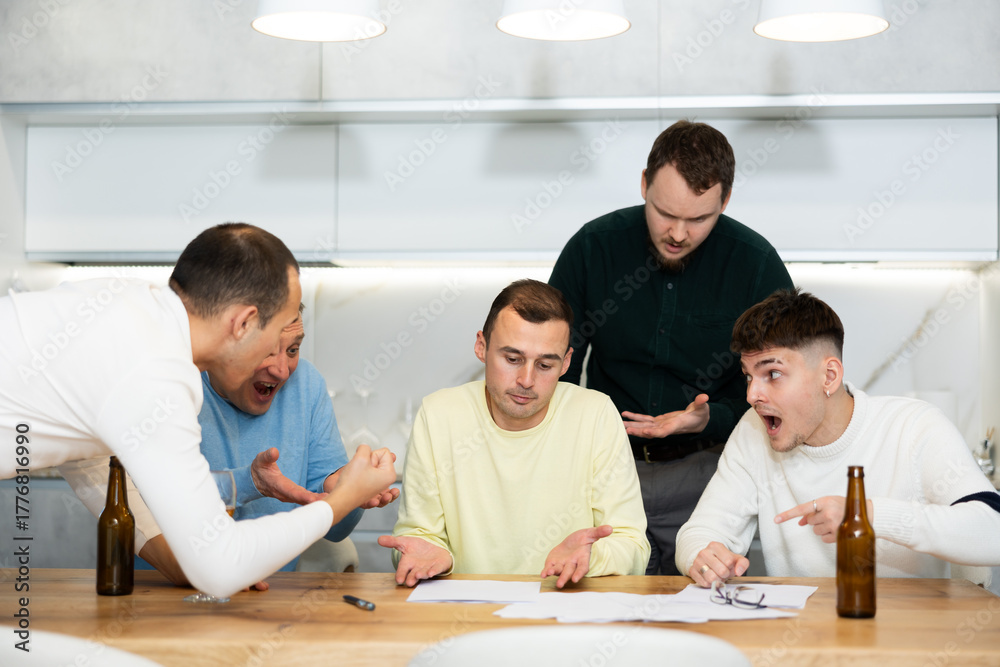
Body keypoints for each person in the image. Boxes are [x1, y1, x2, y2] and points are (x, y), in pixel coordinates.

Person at [0, 223, 396, 598]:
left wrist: (189, 557)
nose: (279, 364)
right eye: (277, 334)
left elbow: (89, 461)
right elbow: (219, 568)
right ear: (244, 324)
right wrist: (340, 500)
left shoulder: (133, 312)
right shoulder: (156, 371)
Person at [548, 120, 793, 574]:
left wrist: (710, 416)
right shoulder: (592, 248)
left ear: (725, 201)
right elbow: (553, 366)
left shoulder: (755, 264)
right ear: (644, 184)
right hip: (604, 473)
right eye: (664, 213)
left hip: (710, 474)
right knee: (600, 602)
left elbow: (785, 385)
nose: (678, 233)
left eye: (699, 219)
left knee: (701, 608)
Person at [675, 288, 1000, 586]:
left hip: (911, 626)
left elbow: (993, 528)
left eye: (772, 374)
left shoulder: (914, 426)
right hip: (802, 628)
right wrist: (702, 558)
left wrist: (866, 516)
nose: (751, 395)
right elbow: (700, 532)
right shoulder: (754, 430)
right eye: (748, 376)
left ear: (829, 376)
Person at [71, 306, 397, 585]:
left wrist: (347, 491)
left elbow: (335, 529)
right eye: (267, 350)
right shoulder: (170, 385)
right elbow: (153, 501)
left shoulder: (306, 385)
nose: (282, 370)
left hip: (270, 597)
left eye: (293, 349)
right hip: (165, 591)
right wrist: (248, 482)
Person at [378, 280, 650, 588]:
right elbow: (417, 536)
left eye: (545, 365)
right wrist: (431, 556)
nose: (526, 380)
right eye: (512, 359)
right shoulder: (439, 414)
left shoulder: (596, 414)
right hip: (467, 608)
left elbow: (633, 546)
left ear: (566, 363)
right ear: (481, 346)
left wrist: (592, 557)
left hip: (563, 605)